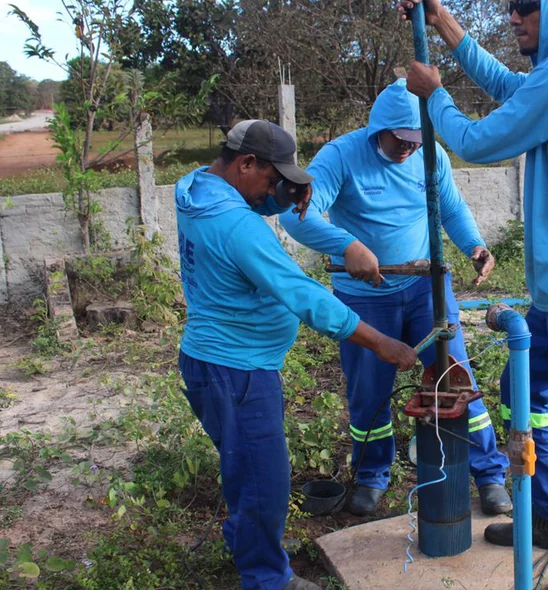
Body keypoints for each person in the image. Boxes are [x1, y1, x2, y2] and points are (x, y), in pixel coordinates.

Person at [399, 1, 548, 588]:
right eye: (511, 8)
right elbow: (511, 86)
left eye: (528, 8)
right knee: (521, 387)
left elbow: (478, 142)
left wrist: (434, 95)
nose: (514, 17)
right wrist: (443, 22)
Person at [175, 119, 418, 590]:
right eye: (271, 179)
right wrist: (381, 342)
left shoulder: (195, 189)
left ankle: (244, 543)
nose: (274, 191)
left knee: (244, 467)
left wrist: (285, 194)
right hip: (237, 370)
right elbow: (305, 296)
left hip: (210, 361)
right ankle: (268, 578)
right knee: (266, 482)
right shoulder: (237, 226)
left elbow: (244, 202)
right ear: (246, 163)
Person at [278, 79, 512, 517]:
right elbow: (298, 216)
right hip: (365, 297)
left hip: (427, 289)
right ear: (377, 130)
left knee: (455, 379)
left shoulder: (430, 155)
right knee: (370, 391)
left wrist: (475, 246)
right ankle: (371, 477)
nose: (408, 148)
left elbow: (452, 208)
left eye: (415, 140)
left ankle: (488, 475)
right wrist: (347, 246)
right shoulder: (341, 157)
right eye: (400, 139)